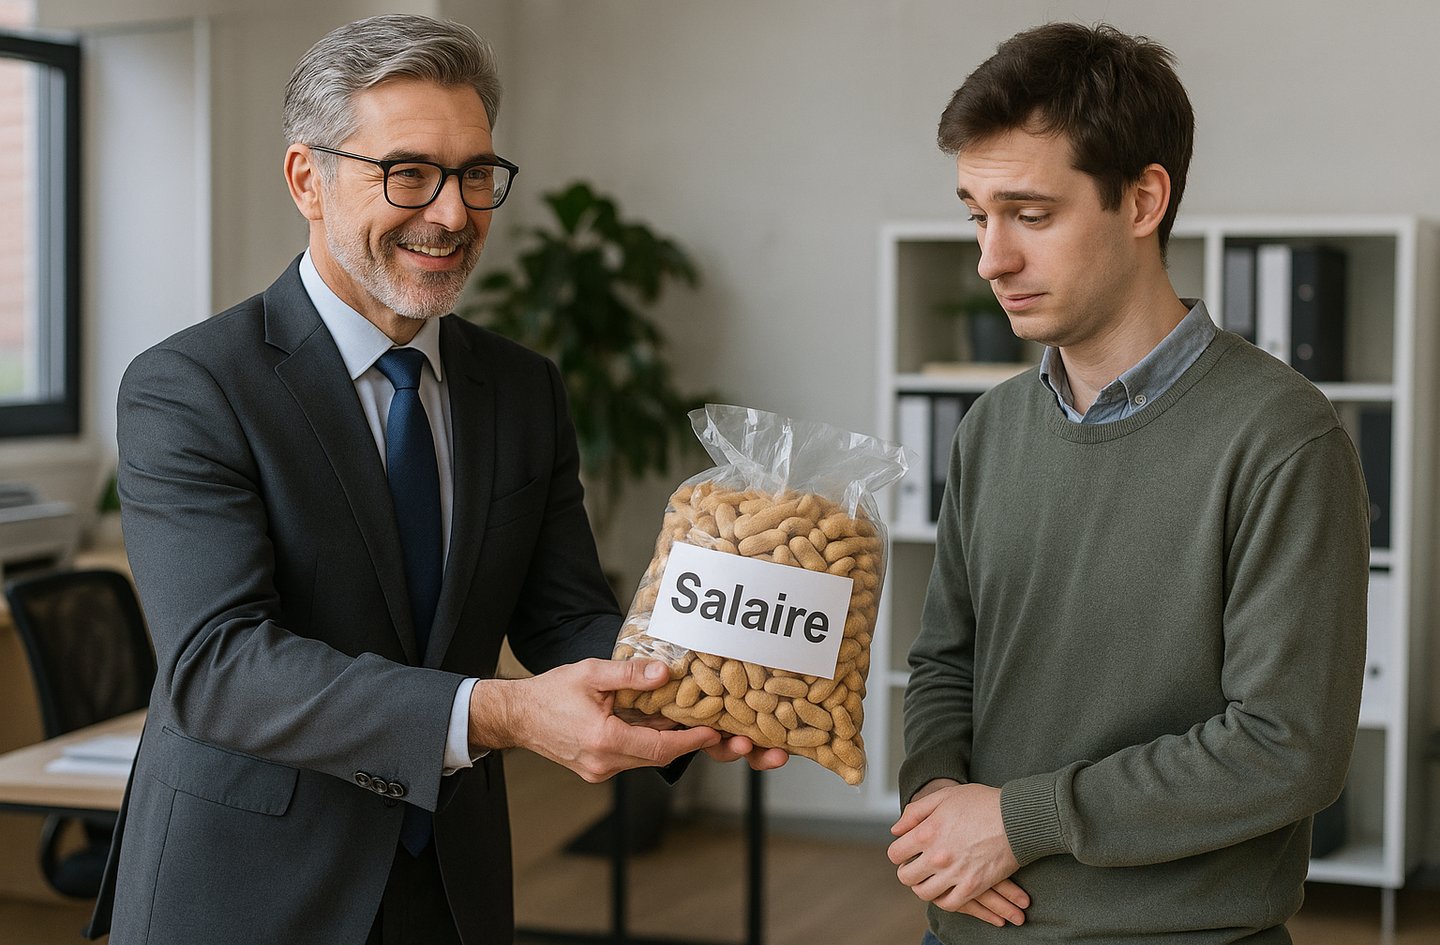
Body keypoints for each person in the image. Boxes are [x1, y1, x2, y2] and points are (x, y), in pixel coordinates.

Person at [89, 14, 784, 945]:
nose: (454, 214)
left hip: (451, 885)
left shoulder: (523, 387)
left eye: (475, 174)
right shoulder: (191, 386)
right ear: (307, 179)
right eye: (409, 173)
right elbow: (220, 667)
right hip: (247, 889)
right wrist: (498, 712)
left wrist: (708, 682)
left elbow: (564, 616)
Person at [889, 22, 1369, 943]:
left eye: (1030, 215)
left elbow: (1287, 748)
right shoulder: (990, 428)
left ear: (1144, 199)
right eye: (976, 215)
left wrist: (1016, 821)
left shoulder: (1282, 438)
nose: (991, 258)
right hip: (965, 925)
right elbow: (947, 661)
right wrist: (939, 805)